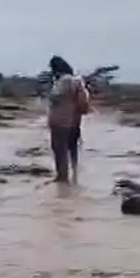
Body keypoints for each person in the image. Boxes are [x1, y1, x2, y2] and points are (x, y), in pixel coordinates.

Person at [46, 55, 90, 183]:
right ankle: (75, 176)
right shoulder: (77, 81)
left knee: (59, 150)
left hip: (60, 121)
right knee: (72, 148)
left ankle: (62, 178)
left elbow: (54, 97)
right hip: (74, 120)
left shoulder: (64, 81)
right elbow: (82, 103)